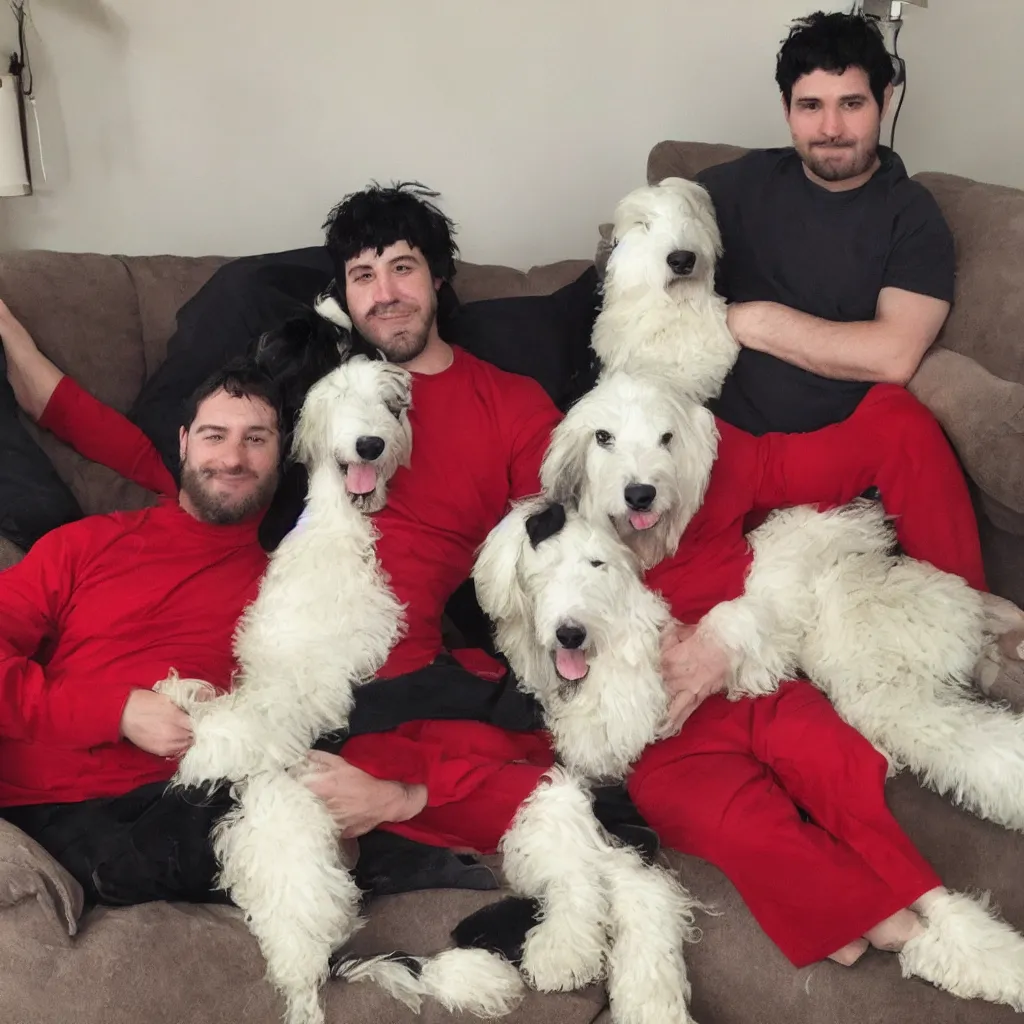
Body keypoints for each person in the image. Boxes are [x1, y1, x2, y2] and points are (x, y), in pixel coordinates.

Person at [0, 183, 562, 903]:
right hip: (284, 662)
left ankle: (380, 840)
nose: (386, 293)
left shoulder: (510, 405)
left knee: (531, 740)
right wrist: (18, 350)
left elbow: (552, 550)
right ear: (343, 295)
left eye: (404, 268)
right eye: (364, 276)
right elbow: (177, 455)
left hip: (392, 669)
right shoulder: (309, 394)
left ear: (439, 278)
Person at [696, 9, 986, 591]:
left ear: (886, 100)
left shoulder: (911, 216)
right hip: (717, 449)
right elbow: (646, 235)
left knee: (901, 421)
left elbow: (893, 356)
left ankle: (972, 622)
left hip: (827, 456)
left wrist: (749, 320)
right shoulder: (741, 184)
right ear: (787, 110)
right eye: (811, 106)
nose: (831, 127)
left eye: (852, 103)